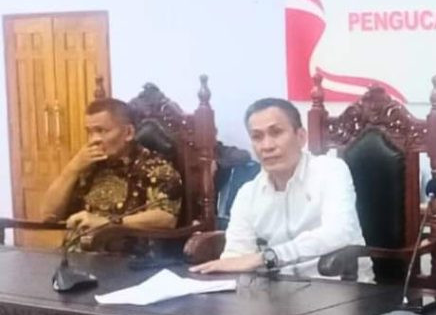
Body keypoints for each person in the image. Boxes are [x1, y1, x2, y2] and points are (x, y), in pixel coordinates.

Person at [190, 98, 364, 275]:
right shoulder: (248, 193)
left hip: (338, 285)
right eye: (257, 137)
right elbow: (237, 256)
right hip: (275, 289)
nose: (267, 146)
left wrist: (268, 257)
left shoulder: (330, 171)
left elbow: (339, 233)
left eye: (276, 133)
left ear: (301, 137)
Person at [40, 98, 182, 237]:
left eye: (101, 131)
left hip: (128, 251)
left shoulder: (154, 166)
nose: (94, 140)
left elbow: (166, 218)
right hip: (75, 250)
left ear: (128, 133)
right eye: (89, 132)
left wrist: (107, 223)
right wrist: (72, 169)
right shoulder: (87, 166)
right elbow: (48, 215)